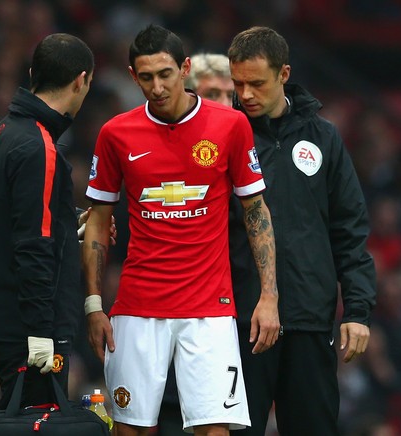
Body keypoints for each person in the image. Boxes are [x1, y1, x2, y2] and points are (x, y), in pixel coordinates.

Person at [83, 24, 280, 436]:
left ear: (185, 69)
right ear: (133, 76)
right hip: (138, 305)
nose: (157, 86)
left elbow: (256, 212)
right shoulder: (115, 133)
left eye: (166, 74)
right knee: (130, 429)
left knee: (213, 428)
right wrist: (93, 304)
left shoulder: (230, 126)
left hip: (209, 307)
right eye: (147, 77)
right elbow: (98, 219)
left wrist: (269, 296)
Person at [226, 26, 377, 435]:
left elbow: (349, 228)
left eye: (257, 83)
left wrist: (358, 310)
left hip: (309, 318)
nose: (246, 94)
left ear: (284, 74)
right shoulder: (222, 136)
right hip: (240, 320)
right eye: (238, 83)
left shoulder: (323, 138)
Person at [0, 33, 95, 408]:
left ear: (33, 74)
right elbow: (33, 246)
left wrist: (69, 223)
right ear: (81, 80)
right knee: (36, 422)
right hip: (31, 329)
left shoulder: (3, 132)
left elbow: (11, 222)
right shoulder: (38, 147)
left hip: (3, 317)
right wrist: (41, 334)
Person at [158, 52, 238, 436]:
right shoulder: (157, 141)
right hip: (161, 304)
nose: (222, 104)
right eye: (213, 94)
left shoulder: (241, 145)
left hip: (222, 309)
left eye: (229, 95)